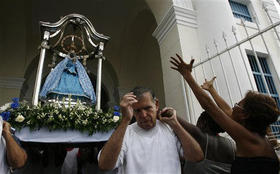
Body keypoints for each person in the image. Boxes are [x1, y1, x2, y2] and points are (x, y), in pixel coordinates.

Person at [170, 54, 280, 174]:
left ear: (245, 115)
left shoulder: (248, 139)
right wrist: (211, 89)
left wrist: (187, 75)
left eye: (237, 104)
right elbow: (227, 110)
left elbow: (209, 106)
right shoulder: (256, 138)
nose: (233, 106)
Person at [98, 87, 203, 174]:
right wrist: (125, 119)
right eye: (137, 111)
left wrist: (176, 125)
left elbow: (196, 157)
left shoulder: (169, 128)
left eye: (147, 108)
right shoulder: (125, 133)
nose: (143, 115)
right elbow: (104, 165)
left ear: (156, 104)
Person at [176, 77, 235, 174]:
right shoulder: (231, 145)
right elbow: (228, 113)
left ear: (203, 123)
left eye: (198, 121)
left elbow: (192, 129)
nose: (196, 124)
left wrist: (169, 114)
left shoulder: (204, 140)